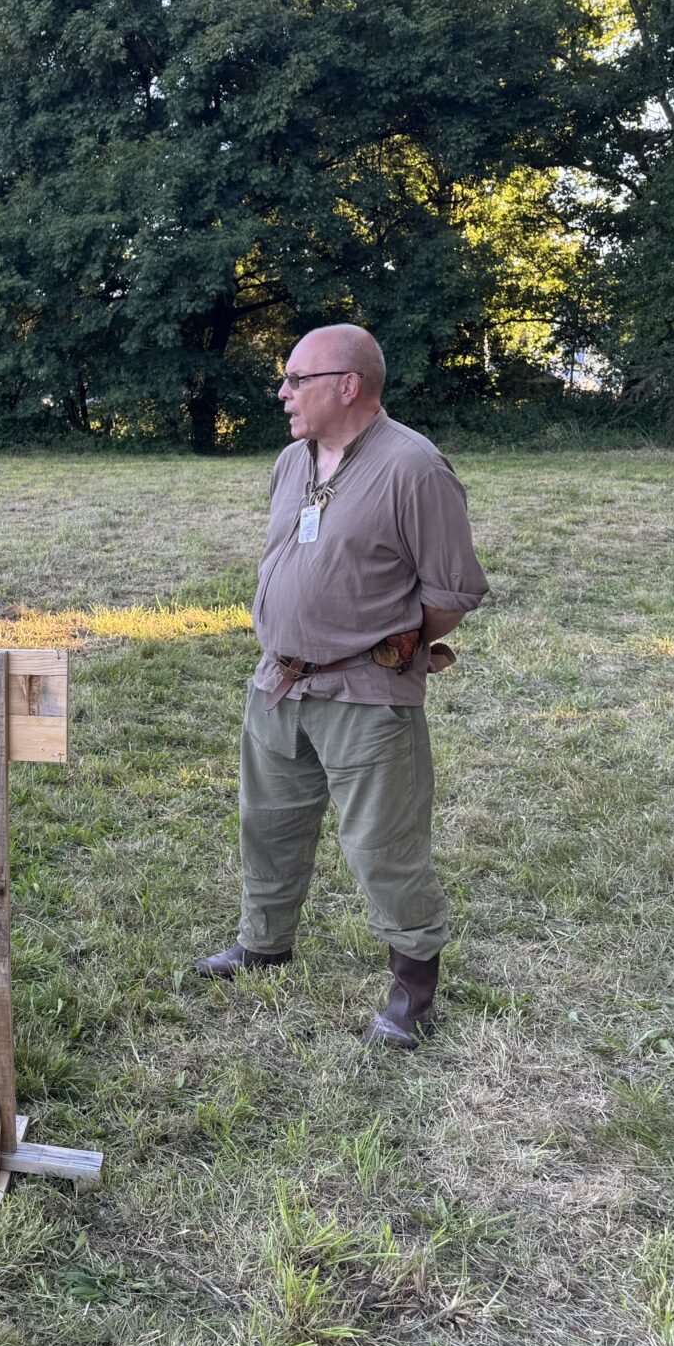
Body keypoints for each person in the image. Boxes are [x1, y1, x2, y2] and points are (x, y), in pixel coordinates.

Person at [193, 325, 488, 1047]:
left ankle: (412, 992)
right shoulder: (291, 461)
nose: (283, 392)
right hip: (278, 682)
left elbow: (451, 591)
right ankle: (264, 943)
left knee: (382, 845)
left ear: (347, 386)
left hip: (365, 694)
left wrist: (387, 639)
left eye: (297, 379)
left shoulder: (414, 467)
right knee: (267, 825)